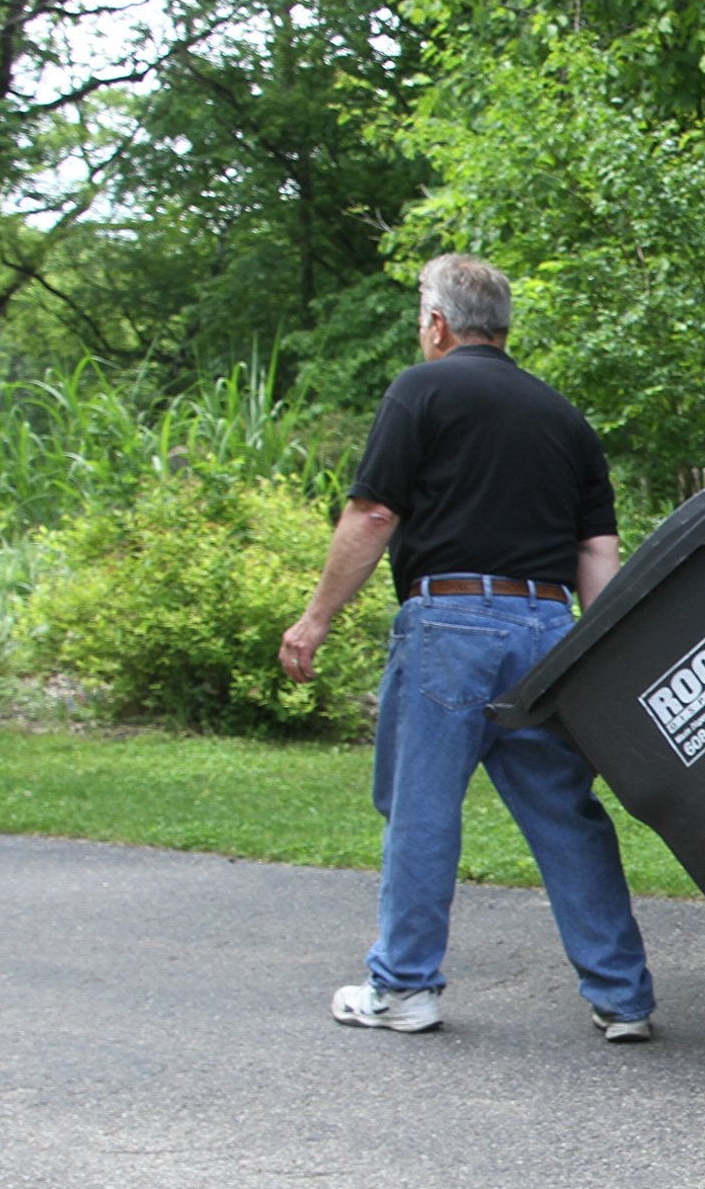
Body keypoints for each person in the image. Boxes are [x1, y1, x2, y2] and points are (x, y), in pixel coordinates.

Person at [279, 253, 655, 1042]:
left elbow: (375, 516)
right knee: (565, 811)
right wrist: (604, 651)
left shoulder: (422, 389)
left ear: (439, 324)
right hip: (549, 633)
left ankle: (405, 986)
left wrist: (315, 618)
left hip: (451, 624)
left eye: (422, 315)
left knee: (419, 808)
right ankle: (623, 997)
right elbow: (597, 552)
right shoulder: (564, 417)